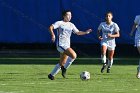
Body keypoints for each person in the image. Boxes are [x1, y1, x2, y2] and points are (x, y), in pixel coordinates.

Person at [48, 10, 92, 80]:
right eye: (68, 15)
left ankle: (51, 75)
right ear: (64, 16)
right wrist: (53, 35)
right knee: (74, 55)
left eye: (71, 15)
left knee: (62, 62)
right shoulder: (59, 23)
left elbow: (78, 32)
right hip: (61, 45)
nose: (70, 16)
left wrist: (86, 32)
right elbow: (50, 27)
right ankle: (64, 69)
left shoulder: (71, 24)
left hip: (67, 46)